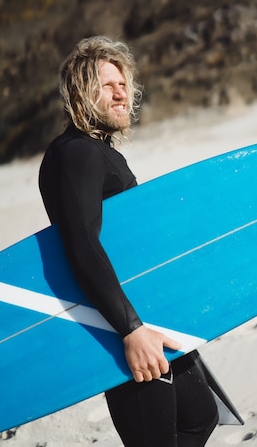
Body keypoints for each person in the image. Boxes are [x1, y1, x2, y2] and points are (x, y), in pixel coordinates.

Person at [39, 36, 219, 446]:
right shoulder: (75, 154)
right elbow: (82, 244)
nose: (122, 92)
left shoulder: (99, 151)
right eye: (108, 85)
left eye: (124, 84)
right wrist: (131, 331)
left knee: (199, 415)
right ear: (82, 93)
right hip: (121, 325)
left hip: (145, 312)